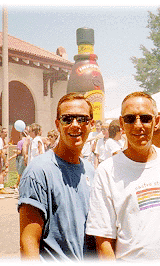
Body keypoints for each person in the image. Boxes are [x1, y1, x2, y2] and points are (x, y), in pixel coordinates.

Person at [86, 91, 160, 261]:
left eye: (145, 118)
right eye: (130, 119)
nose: (138, 125)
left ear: (156, 122)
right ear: (121, 123)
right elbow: (103, 239)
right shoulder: (106, 171)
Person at [18, 92, 95, 261]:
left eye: (82, 119)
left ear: (91, 124)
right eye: (67, 119)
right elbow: (28, 241)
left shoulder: (90, 171)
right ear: (58, 124)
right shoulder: (39, 172)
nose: (75, 125)